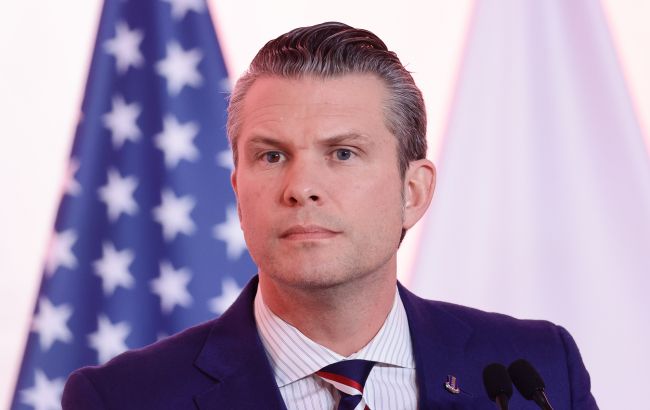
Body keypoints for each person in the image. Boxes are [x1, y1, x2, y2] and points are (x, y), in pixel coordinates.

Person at [62, 22, 598, 409]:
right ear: (238, 191)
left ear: (413, 191)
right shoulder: (123, 398)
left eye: (343, 153)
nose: (301, 188)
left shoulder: (534, 374)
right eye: (272, 156)